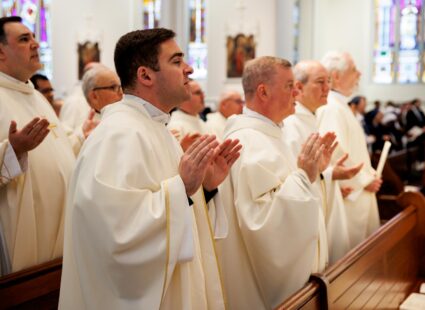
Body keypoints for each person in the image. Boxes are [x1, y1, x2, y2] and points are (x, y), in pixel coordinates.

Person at [59, 28, 241, 309]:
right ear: (145, 75)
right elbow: (115, 235)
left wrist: (204, 188)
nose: (189, 69)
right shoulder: (117, 135)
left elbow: (178, 206)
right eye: (178, 61)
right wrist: (183, 189)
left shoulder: (157, 128)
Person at [217, 56, 333, 309]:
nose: (297, 92)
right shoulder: (246, 142)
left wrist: (315, 173)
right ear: (263, 91)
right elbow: (261, 223)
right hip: (259, 290)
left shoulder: (272, 134)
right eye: (289, 85)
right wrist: (304, 177)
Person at [0, 16, 81, 275]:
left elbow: (61, 147)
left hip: (61, 242)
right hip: (24, 236)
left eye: (34, 37)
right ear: (1, 52)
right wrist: (13, 150)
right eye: (24, 39)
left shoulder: (36, 96)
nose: (35, 43)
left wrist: (85, 137)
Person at [283, 60, 364, 263]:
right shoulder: (291, 124)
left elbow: (314, 172)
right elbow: (293, 178)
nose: (327, 88)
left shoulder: (309, 118)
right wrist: (330, 175)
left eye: (328, 81)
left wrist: (330, 176)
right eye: (320, 82)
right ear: (299, 87)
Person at [317, 51, 382, 248]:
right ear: (336, 76)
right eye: (354, 69)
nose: (359, 73)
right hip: (351, 194)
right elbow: (335, 151)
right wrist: (364, 180)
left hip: (357, 191)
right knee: (351, 261)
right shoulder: (331, 107)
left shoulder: (339, 105)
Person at [167, 80, 208, 150]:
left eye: (202, 92)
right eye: (198, 93)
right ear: (184, 97)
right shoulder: (175, 126)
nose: (203, 96)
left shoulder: (201, 122)